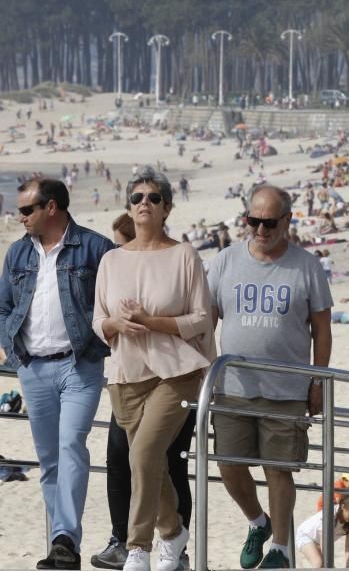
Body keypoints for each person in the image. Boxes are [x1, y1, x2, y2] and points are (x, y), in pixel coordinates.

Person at [92, 167, 216, 571]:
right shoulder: (111, 260)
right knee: (150, 461)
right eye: (137, 198)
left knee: (143, 453)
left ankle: (138, 548)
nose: (144, 203)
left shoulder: (183, 255)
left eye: (153, 198)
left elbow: (201, 318)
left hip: (176, 371)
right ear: (129, 207)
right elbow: (99, 321)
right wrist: (116, 325)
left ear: (167, 207)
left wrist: (150, 322)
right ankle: (174, 530)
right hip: (125, 374)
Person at [207, 184, 333, 569]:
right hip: (233, 386)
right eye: (253, 221)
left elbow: (322, 331)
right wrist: (209, 370)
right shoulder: (225, 261)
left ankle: (280, 547)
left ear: (287, 221)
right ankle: (257, 522)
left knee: (278, 469)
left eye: (269, 222)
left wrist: (317, 381)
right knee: (228, 463)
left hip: (287, 387)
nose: (261, 229)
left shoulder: (306, 266)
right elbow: (207, 320)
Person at [0, 178, 115, 570]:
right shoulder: (17, 253)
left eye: (27, 210)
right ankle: (61, 547)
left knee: (71, 446)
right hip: (33, 368)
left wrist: (104, 339)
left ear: (52, 208)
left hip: (79, 364)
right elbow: (3, 307)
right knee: (49, 460)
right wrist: (12, 352)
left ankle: (65, 537)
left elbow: (115, 300)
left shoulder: (97, 248)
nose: (20, 217)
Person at [294, 494, 349, 569]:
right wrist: (331, 565)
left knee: (327, 565)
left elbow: (348, 546)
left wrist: (347, 566)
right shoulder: (329, 515)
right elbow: (324, 545)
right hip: (306, 535)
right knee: (318, 563)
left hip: (318, 541)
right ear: (343, 507)